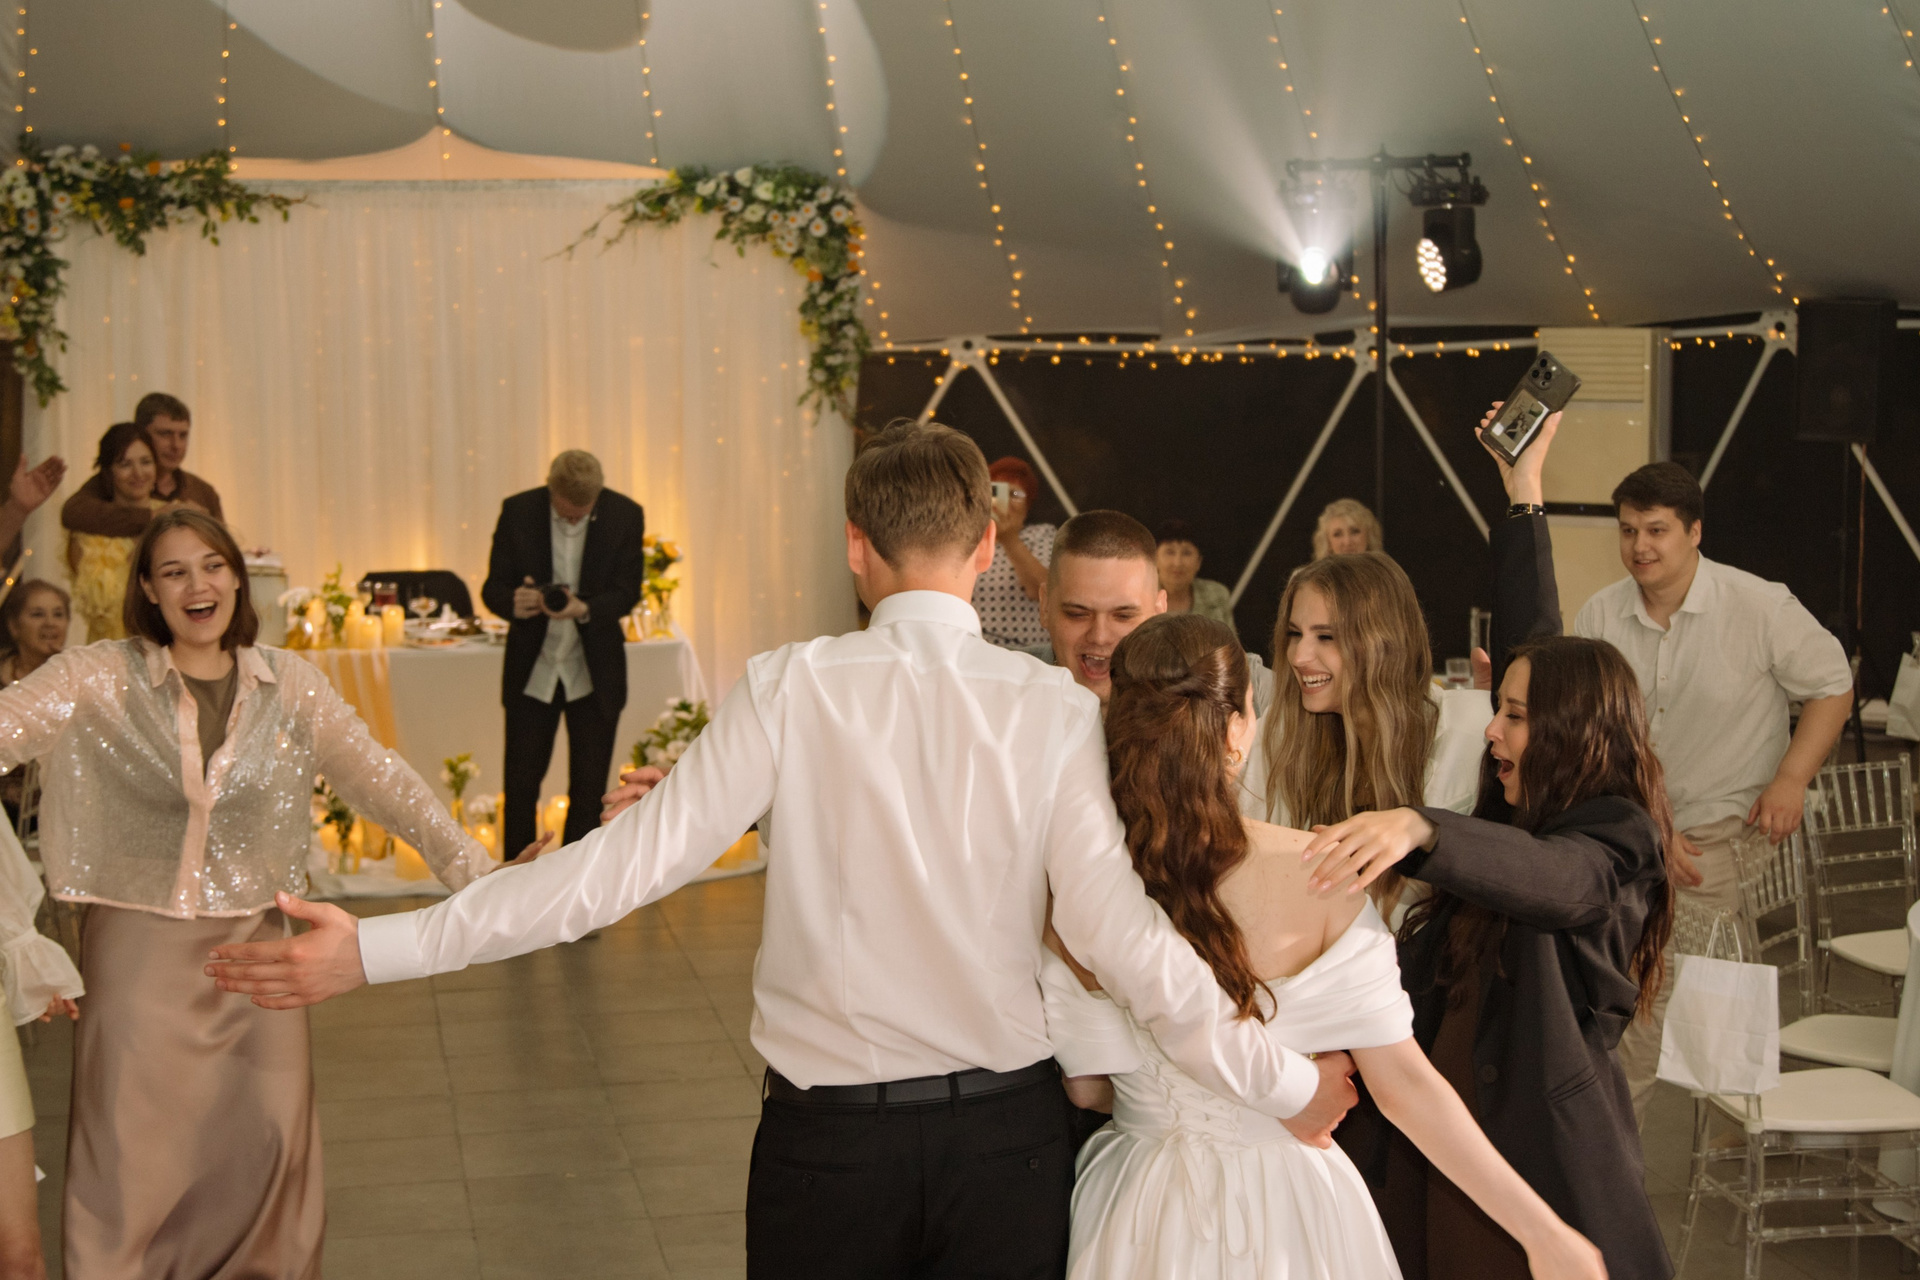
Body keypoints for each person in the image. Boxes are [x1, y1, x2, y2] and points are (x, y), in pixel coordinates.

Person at [207, 420, 1361, 1280]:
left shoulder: (790, 686)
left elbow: (604, 875)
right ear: (986, 546)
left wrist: (377, 950)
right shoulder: (1052, 709)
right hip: (1005, 1145)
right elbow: (1133, 947)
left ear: (857, 546)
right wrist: (1287, 1082)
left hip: (830, 1148)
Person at [0, 508, 501, 1279]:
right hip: (139, 961)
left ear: (237, 577)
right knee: (133, 1163)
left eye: (212, 566)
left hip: (263, 956)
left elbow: (380, 779)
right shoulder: (96, 675)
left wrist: (480, 877)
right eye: (174, 572)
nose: (196, 586)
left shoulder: (290, 683)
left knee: (268, 1148)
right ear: (148, 589)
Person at [1042, 613, 1604, 1280]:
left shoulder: (1072, 890)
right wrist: (1543, 1234)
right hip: (1287, 1208)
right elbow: (1406, 1088)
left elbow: (1087, 1087)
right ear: (1236, 729)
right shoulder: (1319, 873)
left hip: (1139, 1210)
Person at [1300, 632, 1676, 1280]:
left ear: (1574, 731)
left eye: (1516, 715)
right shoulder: (1509, 825)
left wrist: (1422, 827)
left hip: (1535, 1158)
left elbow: (1561, 878)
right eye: (1498, 708)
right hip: (1444, 1151)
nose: (1492, 730)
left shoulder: (1619, 835)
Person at [1575, 461, 1852, 1123]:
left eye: (1657, 530)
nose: (1640, 546)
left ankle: (1621, 1148)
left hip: (1714, 837)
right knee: (1675, 991)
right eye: (1628, 530)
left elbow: (1832, 684)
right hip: (1625, 834)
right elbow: (1587, 733)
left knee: (1655, 997)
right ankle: (1728, 1133)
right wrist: (1645, 829)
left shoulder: (1758, 605)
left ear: (1694, 532)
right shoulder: (1600, 614)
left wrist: (1791, 778)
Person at [480, 450, 646, 854]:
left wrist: (584, 608)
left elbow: (628, 591)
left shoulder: (625, 515)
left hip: (594, 673)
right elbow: (492, 588)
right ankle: (514, 878)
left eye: (582, 514)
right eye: (566, 512)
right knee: (520, 786)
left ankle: (576, 879)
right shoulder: (519, 511)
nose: (573, 520)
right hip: (532, 671)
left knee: (590, 790)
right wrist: (514, 602)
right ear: (550, 491)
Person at [59, 392, 223, 538]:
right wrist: (153, 516)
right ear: (141, 434)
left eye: (183, 435)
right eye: (165, 434)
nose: (176, 445)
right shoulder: (116, 481)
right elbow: (73, 512)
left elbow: (224, 547)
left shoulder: (203, 491)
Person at [63, 422, 161, 642]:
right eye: (125, 464)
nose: (138, 473)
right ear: (108, 473)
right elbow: (98, 605)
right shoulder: (87, 536)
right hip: (111, 651)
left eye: (146, 462)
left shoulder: (172, 518)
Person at [0, 580, 70, 830]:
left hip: (58, 818)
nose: (50, 623)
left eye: (58, 614)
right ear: (14, 626)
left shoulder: (74, 682)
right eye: (37, 614)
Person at [971, 455, 1054, 648]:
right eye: (997, 491)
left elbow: (1044, 591)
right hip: (974, 648)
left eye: (1015, 494)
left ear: (1028, 504)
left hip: (1025, 650)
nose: (1006, 501)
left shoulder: (1041, 535)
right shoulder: (969, 539)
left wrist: (1010, 539)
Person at [1153, 518, 1234, 625]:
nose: (1177, 563)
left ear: (1199, 561)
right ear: (1155, 558)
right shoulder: (1141, 596)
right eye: (1170, 552)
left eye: (1186, 553)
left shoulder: (1216, 595)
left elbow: (1229, 636)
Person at [1313, 496, 1380, 559]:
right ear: (1328, 543)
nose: (1347, 542)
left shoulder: (1383, 567)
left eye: (1354, 532)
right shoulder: (1317, 568)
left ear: (1369, 535)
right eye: (1337, 534)